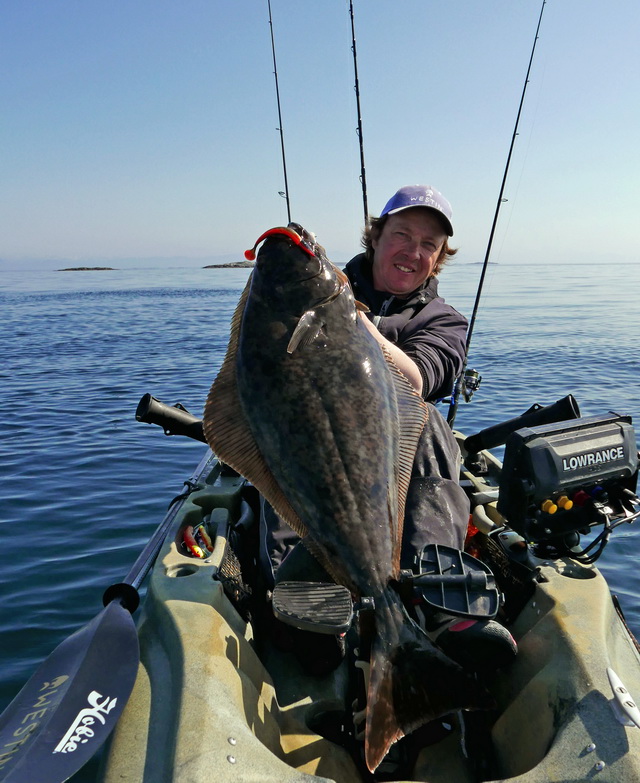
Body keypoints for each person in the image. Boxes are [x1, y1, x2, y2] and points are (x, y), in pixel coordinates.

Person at [263, 185, 516, 674]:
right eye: (402, 235)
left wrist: (346, 319)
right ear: (375, 237)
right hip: (314, 445)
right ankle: (308, 603)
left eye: (429, 245)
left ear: (439, 259)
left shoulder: (442, 320)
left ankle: (437, 597)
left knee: (426, 420)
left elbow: (418, 377)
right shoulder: (317, 289)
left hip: (394, 457)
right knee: (280, 441)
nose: (414, 252)